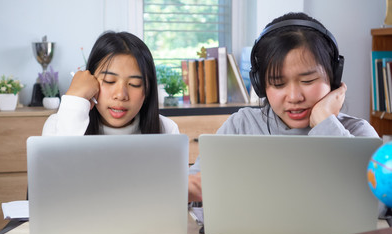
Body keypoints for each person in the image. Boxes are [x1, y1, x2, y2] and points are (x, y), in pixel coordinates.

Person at [187, 12, 379, 201]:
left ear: (334, 77)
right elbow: (192, 186)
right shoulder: (241, 126)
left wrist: (325, 123)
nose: (294, 97)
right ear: (260, 85)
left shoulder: (357, 133)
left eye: (308, 80)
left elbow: (376, 205)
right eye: (278, 84)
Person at [42, 31, 178, 135]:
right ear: (91, 81)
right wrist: (75, 97)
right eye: (109, 81)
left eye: (135, 83)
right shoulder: (56, 125)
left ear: (148, 90)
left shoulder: (166, 129)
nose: (120, 95)